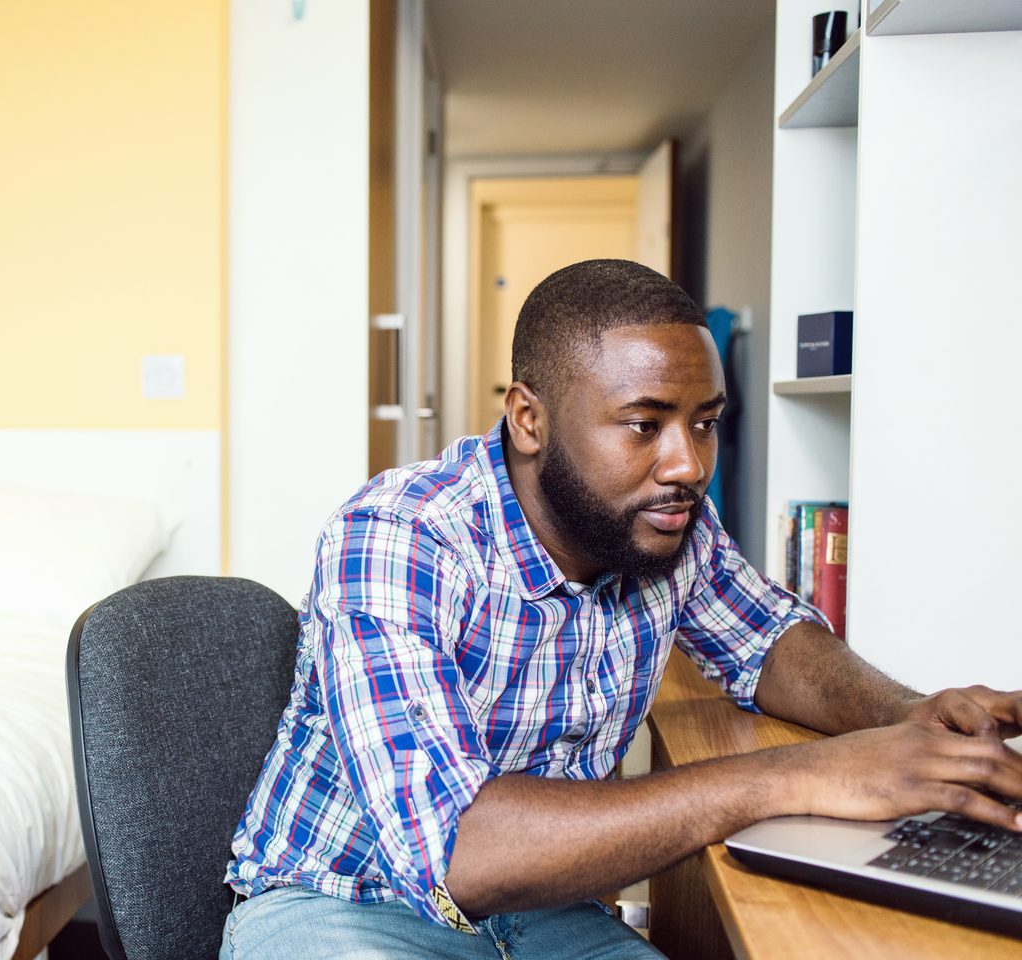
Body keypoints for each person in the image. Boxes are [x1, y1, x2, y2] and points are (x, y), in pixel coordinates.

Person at [218, 259, 1022, 959]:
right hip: (347, 907)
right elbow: (462, 850)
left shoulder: (663, 521)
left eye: (704, 424)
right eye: (645, 425)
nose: (688, 464)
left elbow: (771, 641)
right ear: (528, 418)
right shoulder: (401, 536)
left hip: (552, 918)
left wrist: (911, 714)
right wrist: (801, 775)